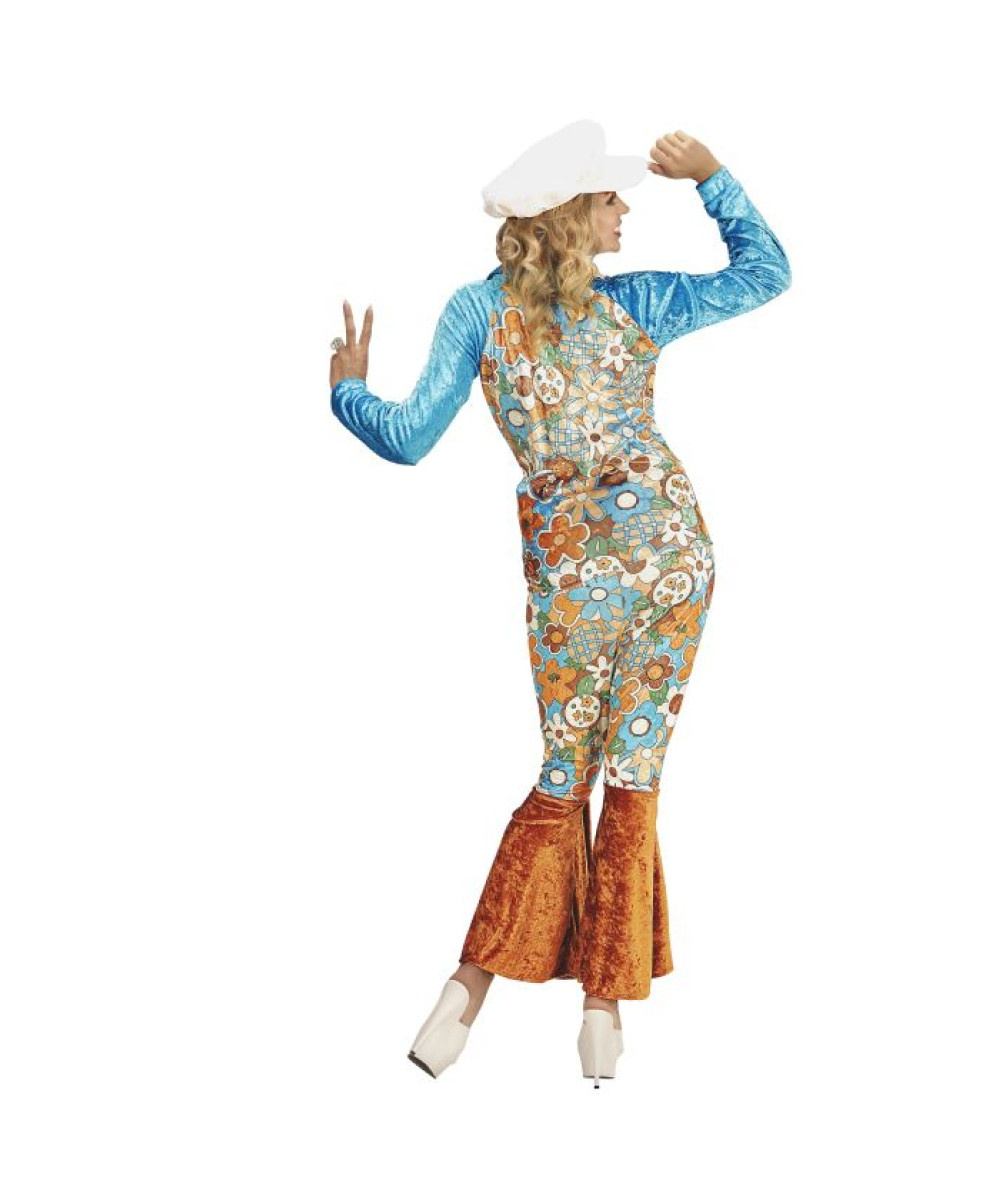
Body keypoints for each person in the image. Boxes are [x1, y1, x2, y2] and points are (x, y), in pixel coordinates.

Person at [328, 121, 791, 1085]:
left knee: (562, 772)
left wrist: (348, 395)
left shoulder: (478, 311)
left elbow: (407, 438)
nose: (625, 210)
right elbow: (765, 273)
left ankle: (463, 996)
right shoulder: (637, 303)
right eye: (611, 198)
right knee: (634, 771)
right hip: (670, 558)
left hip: (570, 577)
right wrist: (713, 177)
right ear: (574, 214)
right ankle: (601, 1015)